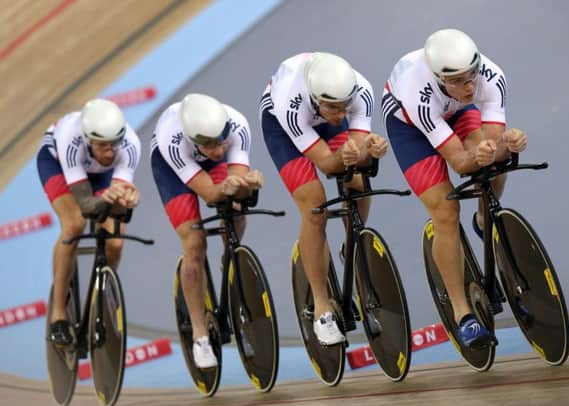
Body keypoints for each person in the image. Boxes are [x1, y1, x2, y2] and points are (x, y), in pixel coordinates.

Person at [382, 29, 528, 348]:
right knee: (446, 212)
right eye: (459, 80)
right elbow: (461, 163)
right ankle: (463, 314)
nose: (470, 86)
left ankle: (481, 221)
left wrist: (508, 144)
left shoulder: (491, 77)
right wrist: (478, 154)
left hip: (456, 111)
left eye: (472, 76)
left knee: (492, 163)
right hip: (410, 127)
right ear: (439, 77)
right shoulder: (416, 90)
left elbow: (491, 147)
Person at [260, 52, 389, 346]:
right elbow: (328, 165)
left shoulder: (359, 92)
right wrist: (344, 156)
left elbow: (355, 156)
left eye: (345, 107)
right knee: (315, 207)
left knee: (357, 180)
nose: (341, 114)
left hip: (319, 112)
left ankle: (350, 244)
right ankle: (321, 309)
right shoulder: (289, 104)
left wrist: (371, 149)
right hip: (282, 129)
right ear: (316, 99)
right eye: (333, 107)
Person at [150, 93, 263, 368]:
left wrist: (248, 184)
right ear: (193, 139)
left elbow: (236, 186)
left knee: (235, 208)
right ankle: (200, 335)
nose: (217, 150)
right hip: (172, 170)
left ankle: (231, 257)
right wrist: (227, 188)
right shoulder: (172, 140)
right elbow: (211, 195)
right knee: (194, 243)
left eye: (221, 141)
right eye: (208, 145)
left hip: (206, 165)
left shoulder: (236, 124)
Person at [37, 98, 141, 347]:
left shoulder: (130, 145)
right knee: (74, 225)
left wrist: (126, 199)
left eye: (113, 145)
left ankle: (102, 295)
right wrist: (108, 200)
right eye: (102, 146)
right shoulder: (70, 139)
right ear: (88, 139)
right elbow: (87, 206)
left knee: (114, 242)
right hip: (58, 166)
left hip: (101, 176)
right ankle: (58, 313)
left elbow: (117, 205)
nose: (109, 152)